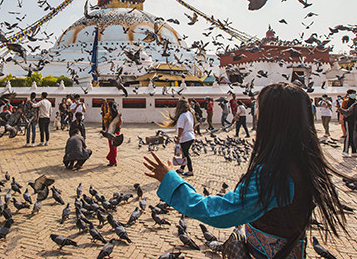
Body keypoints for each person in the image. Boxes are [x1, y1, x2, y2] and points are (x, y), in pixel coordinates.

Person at [144, 82, 346, 258]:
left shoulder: (275, 175)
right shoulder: (301, 160)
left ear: (273, 119)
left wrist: (171, 181)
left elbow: (221, 212)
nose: (256, 113)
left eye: (259, 109)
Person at [167, 99, 195, 177]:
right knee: (184, 153)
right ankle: (182, 168)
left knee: (186, 154)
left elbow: (180, 128)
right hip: (191, 136)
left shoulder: (182, 116)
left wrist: (178, 139)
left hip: (185, 137)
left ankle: (190, 171)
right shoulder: (189, 113)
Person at [339, 89, 357, 157]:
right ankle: (345, 150)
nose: (354, 95)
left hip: (355, 120)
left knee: (354, 136)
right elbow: (343, 110)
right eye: (352, 93)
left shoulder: (356, 101)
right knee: (348, 135)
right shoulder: (346, 101)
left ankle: (354, 151)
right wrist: (342, 119)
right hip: (348, 120)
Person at [104, 100, 121, 167]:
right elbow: (120, 122)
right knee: (115, 146)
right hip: (117, 131)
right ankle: (111, 158)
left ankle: (112, 161)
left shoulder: (108, 115)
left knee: (112, 147)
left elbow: (105, 124)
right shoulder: (118, 113)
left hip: (110, 132)